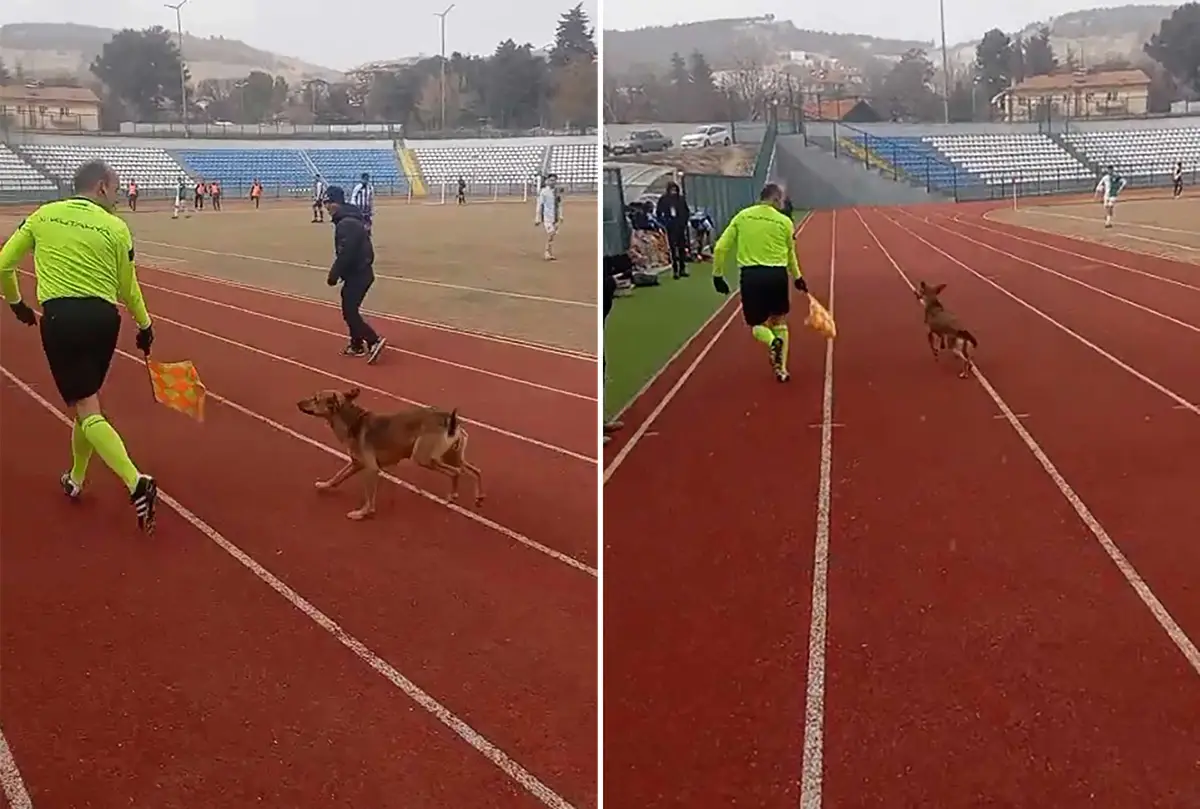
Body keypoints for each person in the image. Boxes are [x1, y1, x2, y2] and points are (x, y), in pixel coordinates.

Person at [0, 160, 159, 532]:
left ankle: (136, 481)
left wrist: (16, 303)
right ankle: (76, 477)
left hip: (62, 318)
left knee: (87, 407)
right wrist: (145, 324)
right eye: (117, 189)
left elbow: (4, 264)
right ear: (102, 186)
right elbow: (128, 286)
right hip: (105, 321)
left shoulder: (43, 215)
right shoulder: (117, 227)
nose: (118, 197)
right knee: (87, 402)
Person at [711, 182, 807, 383]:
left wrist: (717, 275)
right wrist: (798, 277)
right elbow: (791, 255)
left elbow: (720, 248)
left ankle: (771, 341)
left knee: (756, 324)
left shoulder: (743, 216)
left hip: (752, 276)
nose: (782, 204)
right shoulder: (785, 222)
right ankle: (782, 370)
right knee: (779, 321)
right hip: (777, 276)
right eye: (780, 200)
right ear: (774, 199)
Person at [323, 185, 386, 362]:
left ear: (336, 202)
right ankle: (356, 344)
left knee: (350, 311)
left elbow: (347, 252)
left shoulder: (346, 223)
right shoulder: (348, 220)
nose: (326, 207)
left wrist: (334, 274)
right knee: (349, 309)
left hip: (359, 273)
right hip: (357, 272)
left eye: (328, 202)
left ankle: (373, 340)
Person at [655, 181, 690, 279]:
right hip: (671, 228)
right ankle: (675, 270)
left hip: (680, 227)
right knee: (673, 249)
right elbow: (658, 213)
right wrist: (665, 223)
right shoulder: (664, 200)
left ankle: (682, 269)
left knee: (682, 248)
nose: (673, 192)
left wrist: (684, 222)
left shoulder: (681, 199)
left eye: (675, 190)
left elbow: (686, 211)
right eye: (671, 190)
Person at [535, 173, 562, 261]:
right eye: (551, 180)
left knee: (553, 234)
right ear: (547, 181)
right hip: (547, 216)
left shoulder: (556, 192)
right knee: (551, 233)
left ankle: (549, 252)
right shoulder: (544, 192)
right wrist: (537, 217)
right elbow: (539, 204)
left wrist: (561, 215)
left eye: (554, 180)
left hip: (555, 217)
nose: (552, 182)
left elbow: (559, 204)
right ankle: (547, 252)